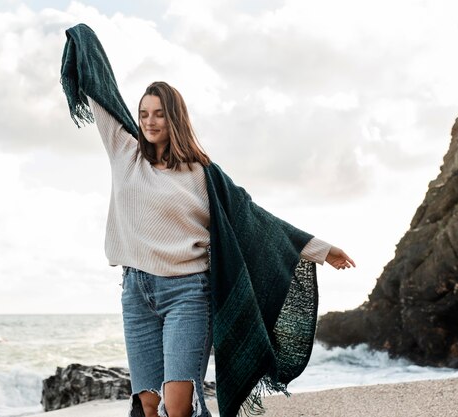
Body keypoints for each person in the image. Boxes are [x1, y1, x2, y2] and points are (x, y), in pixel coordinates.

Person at [61, 24, 355, 417]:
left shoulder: (204, 176)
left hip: (187, 293)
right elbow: (103, 93)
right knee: (149, 405)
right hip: (136, 293)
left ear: (174, 118)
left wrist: (321, 249)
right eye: (144, 114)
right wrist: (82, 38)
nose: (149, 122)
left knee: (179, 404)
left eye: (159, 115)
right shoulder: (125, 154)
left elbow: (256, 221)